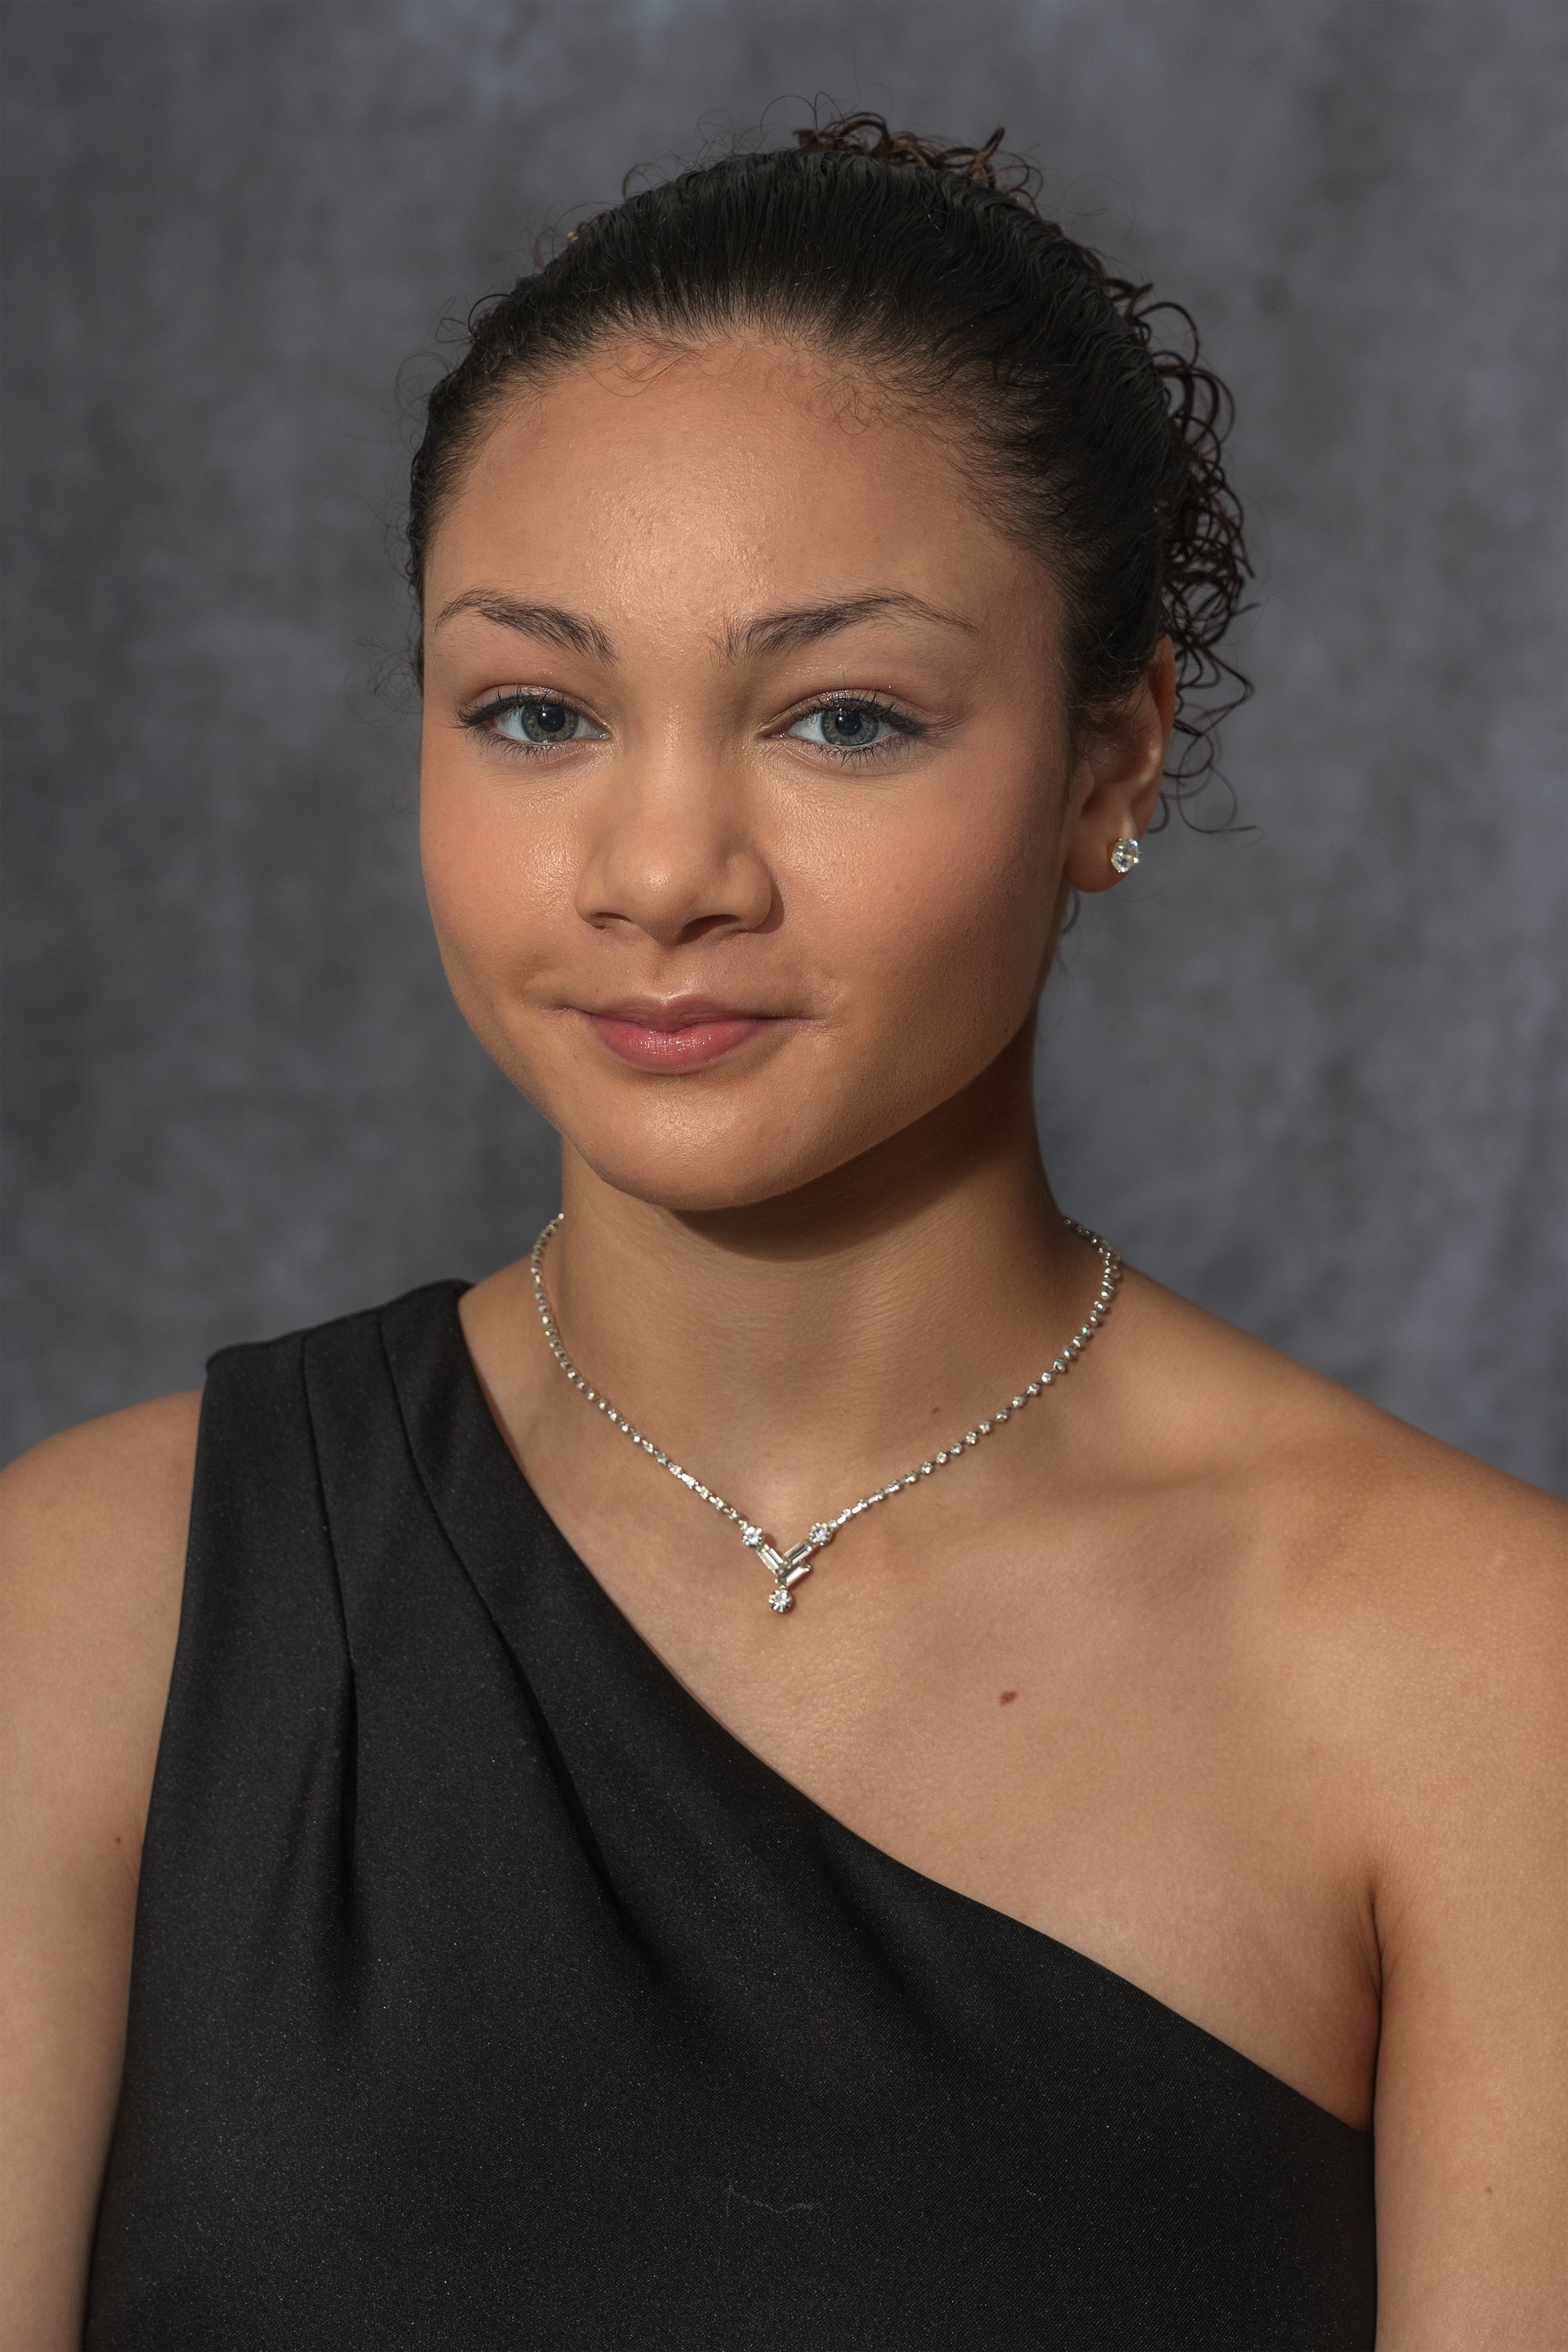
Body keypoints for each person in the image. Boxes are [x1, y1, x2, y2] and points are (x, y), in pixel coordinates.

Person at [2, 114, 1562, 2351]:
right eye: (535, 712)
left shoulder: (1479, 1686)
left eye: (840, 718)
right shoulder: (89, 1613)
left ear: (1112, 762)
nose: (659, 871)